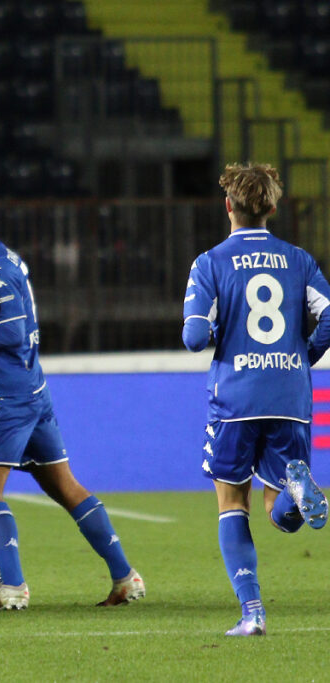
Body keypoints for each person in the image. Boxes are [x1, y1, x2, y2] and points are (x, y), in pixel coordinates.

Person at [0, 200, 145, 612]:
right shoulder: (2, 255)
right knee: (63, 486)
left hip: (6, 393)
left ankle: (11, 586)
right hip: (31, 388)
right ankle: (125, 576)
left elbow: (12, 333)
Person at [182, 163, 330, 636]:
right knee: (279, 513)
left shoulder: (210, 262)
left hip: (236, 398)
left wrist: (214, 329)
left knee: (232, 502)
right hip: (290, 393)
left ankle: (253, 614)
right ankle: (295, 490)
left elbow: (193, 337)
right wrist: (305, 355)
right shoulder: (299, 260)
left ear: (228, 206)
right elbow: (329, 314)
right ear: (271, 208)